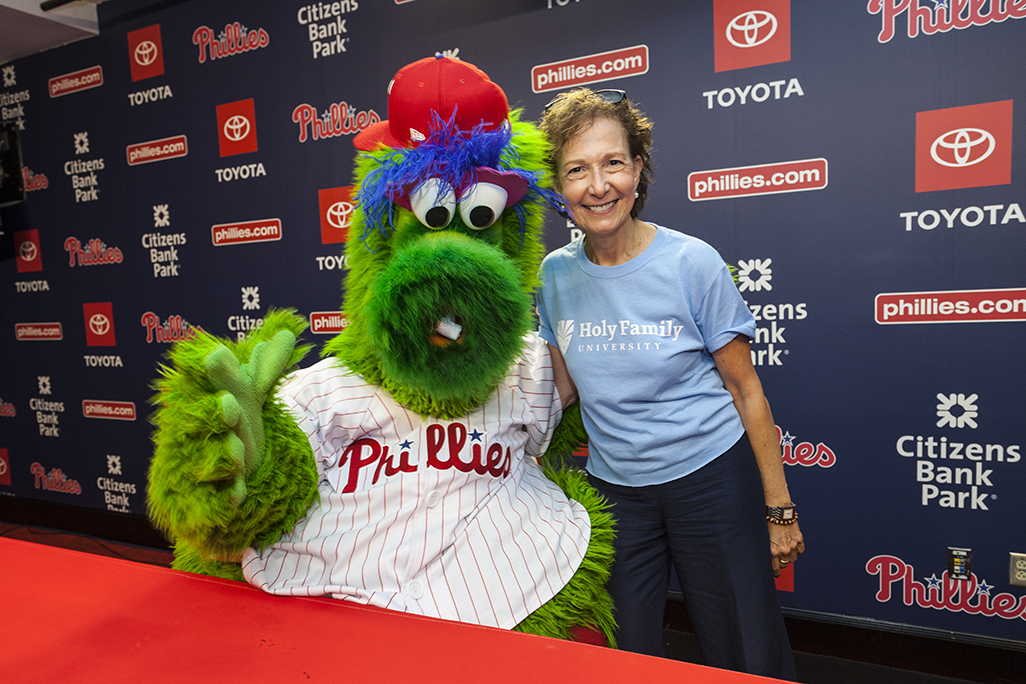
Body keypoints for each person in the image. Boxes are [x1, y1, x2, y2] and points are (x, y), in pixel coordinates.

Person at [536, 88, 804, 680]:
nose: (598, 185)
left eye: (613, 163)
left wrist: (779, 510)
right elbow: (560, 392)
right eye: (577, 169)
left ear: (638, 167)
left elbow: (746, 391)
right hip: (617, 491)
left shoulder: (692, 264)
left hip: (710, 478)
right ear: (557, 186)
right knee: (627, 648)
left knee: (744, 647)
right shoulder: (552, 277)